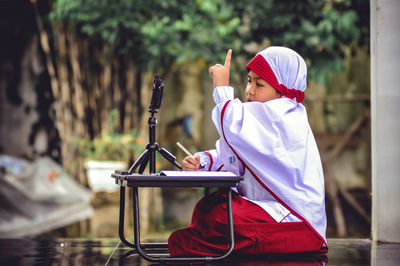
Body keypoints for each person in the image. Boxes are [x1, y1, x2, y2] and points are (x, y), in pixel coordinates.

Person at [168, 46, 328, 256]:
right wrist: (204, 161)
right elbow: (239, 152)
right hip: (264, 207)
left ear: (282, 90)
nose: (249, 90)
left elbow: (234, 125)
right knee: (206, 208)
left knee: (219, 217)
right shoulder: (265, 116)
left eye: (259, 84)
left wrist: (222, 88)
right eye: (249, 81)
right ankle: (199, 245)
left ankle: (196, 245)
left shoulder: (284, 115)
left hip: (295, 219)